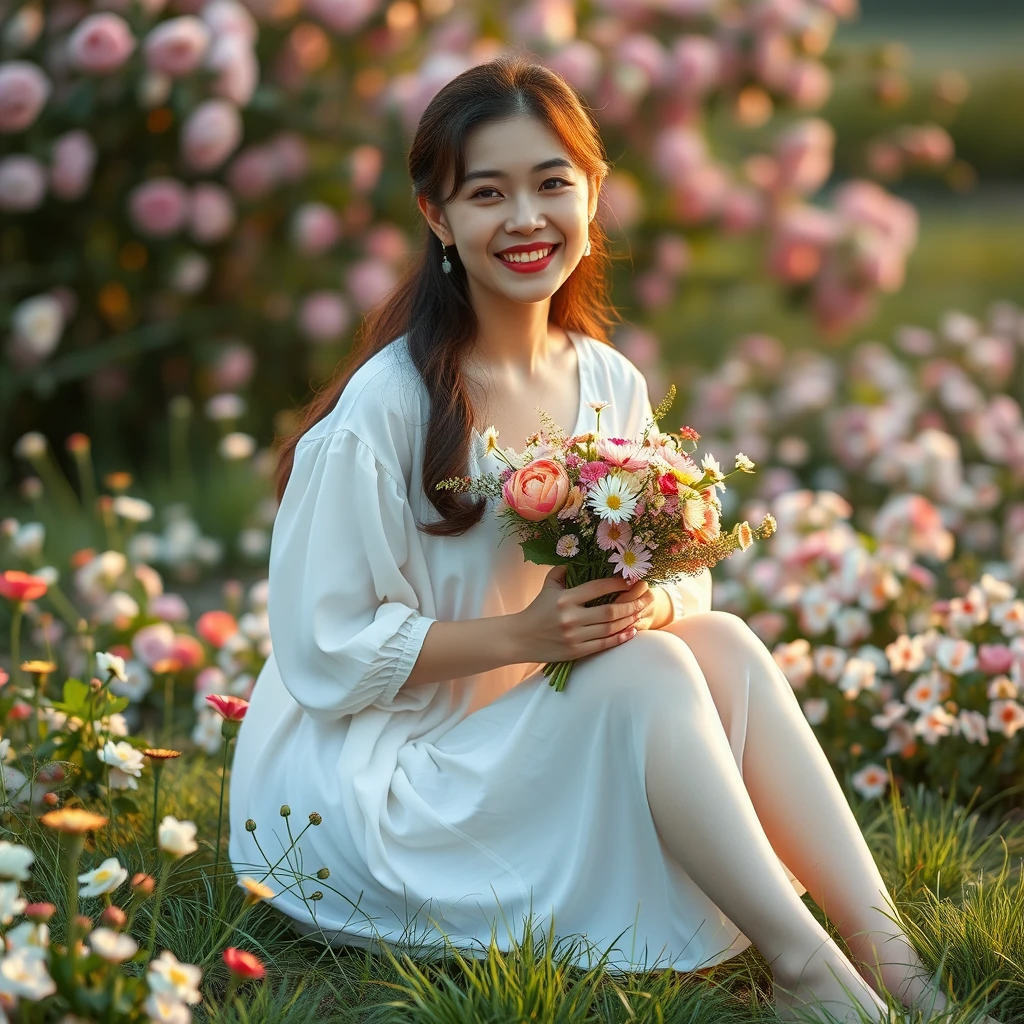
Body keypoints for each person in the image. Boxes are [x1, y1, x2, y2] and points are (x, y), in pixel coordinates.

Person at [229, 54, 989, 1024]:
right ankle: (803, 969)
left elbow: (685, 585)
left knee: (714, 642)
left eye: (552, 184)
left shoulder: (606, 379)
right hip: (383, 778)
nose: (525, 219)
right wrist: (531, 634)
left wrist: (639, 602)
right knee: (649, 674)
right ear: (436, 217)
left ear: (592, 193)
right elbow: (322, 649)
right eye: (487, 193)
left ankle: (895, 964)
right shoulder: (388, 410)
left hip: (519, 728)